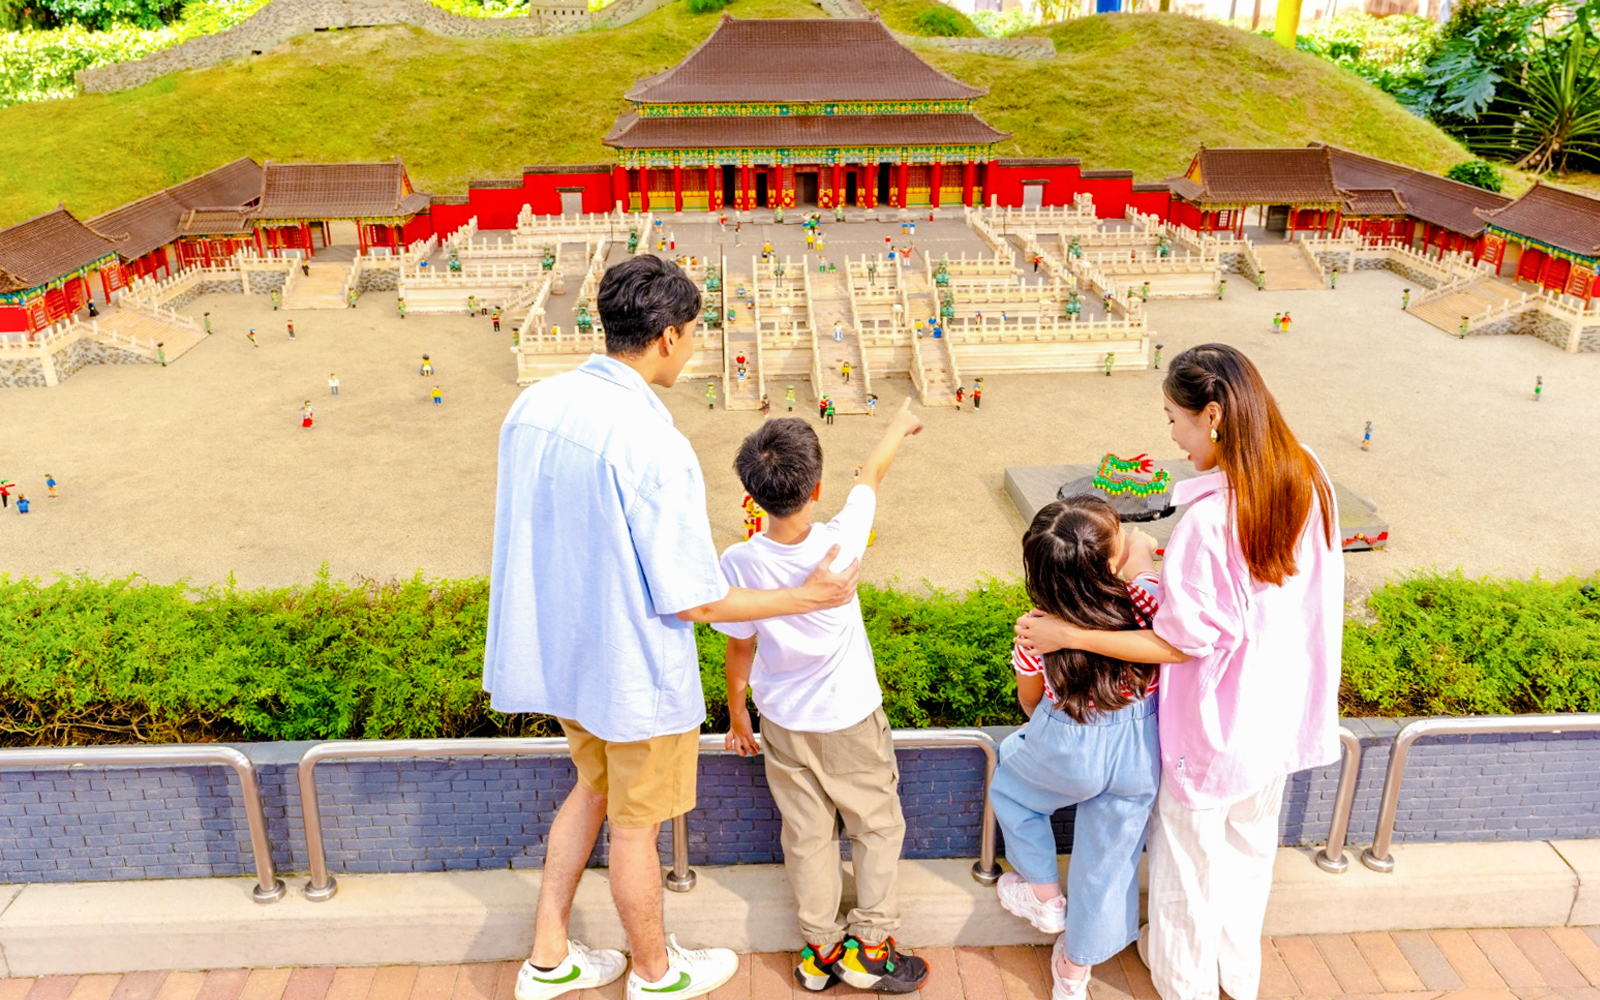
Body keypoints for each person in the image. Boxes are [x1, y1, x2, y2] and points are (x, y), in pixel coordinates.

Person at [483, 254, 859, 1000]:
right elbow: (695, 600)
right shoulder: (653, 443)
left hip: (567, 653)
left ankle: (549, 956)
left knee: (589, 792)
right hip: (631, 670)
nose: (692, 347)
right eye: (692, 333)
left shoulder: (535, 404)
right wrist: (806, 595)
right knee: (636, 827)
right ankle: (655, 973)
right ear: (666, 337)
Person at [1016, 344, 1343, 1000]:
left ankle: (1184, 982)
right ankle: (1236, 979)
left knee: (1187, 867)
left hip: (1217, 726)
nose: (1171, 435)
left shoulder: (1208, 523)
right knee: (1249, 855)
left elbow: (1181, 645)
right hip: (1282, 710)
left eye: (1173, 418)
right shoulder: (1305, 472)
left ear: (1212, 415)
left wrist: (1067, 633)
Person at [716, 406, 931, 995]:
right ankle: (871, 946)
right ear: (815, 489)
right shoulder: (840, 542)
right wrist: (901, 424)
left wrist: (737, 713)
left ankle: (820, 951)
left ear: (752, 495)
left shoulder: (738, 561)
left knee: (807, 838)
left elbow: (739, 647)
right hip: (851, 719)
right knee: (876, 827)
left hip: (783, 724)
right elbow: (871, 475)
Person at [991, 495, 1162, 998]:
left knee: (1013, 786)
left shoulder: (1035, 629)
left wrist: (1049, 736)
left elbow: (1029, 700)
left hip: (1069, 740)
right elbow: (1144, 572)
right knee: (1108, 861)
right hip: (1139, 752)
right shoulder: (1147, 602)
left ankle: (1044, 896)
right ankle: (1073, 972)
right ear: (1110, 562)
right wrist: (1140, 553)